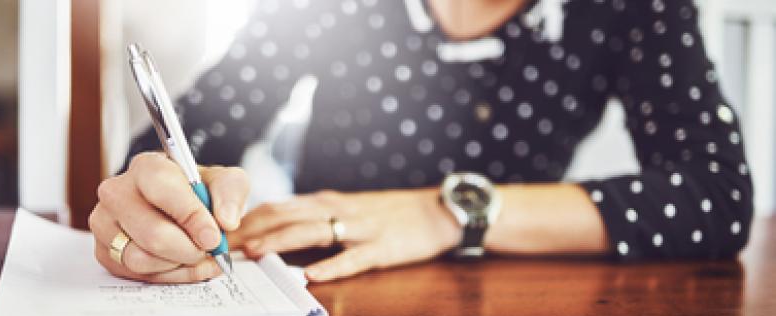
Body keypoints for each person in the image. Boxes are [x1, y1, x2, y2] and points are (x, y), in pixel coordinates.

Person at [90, 0, 753, 283]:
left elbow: (718, 192)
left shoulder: (633, 8)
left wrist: (446, 211)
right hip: (329, 298)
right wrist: (156, 199)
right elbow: (193, 128)